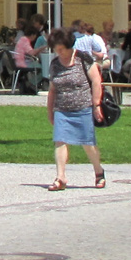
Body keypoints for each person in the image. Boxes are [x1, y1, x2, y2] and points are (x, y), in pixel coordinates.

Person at [45, 27, 106, 191]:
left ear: (69, 45)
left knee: (87, 143)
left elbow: (96, 81)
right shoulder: (55, 64)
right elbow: (52, 90)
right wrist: (50, 111)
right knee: (60, 141)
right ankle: (61, 177)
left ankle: (99, 172)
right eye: (56, 50)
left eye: (61, 49)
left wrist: (96, 105)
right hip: (62, 109)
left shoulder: (83, 58)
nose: (59, 52)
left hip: (83, 107)